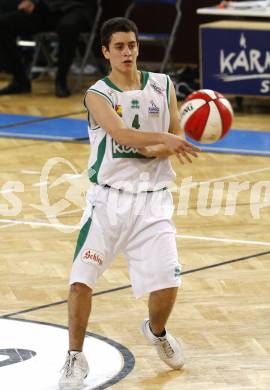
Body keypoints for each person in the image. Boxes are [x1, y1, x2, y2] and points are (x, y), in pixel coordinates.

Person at [59, 17, 200, 390]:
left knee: (168, 286)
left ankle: (156, 331)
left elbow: (176, 134)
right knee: (80, 282)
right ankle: (75, 356)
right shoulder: (98, 94)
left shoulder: (163, 84)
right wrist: (162, 142)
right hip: (108, 202)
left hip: (153, 203)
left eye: (132, 45)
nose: (127, 52)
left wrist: (164, 143)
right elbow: (122, 134)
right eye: (119, 46)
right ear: (105, 52)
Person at [0, 0, 96, 97]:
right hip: (46, 9)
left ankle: (61, 80)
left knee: (67, 27)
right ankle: (20, 79)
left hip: (75, 8)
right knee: (3, 24)